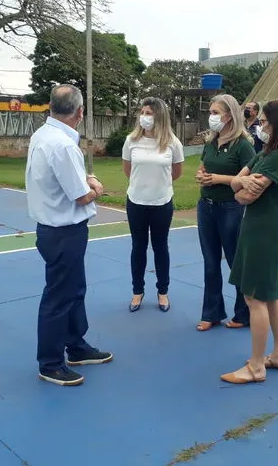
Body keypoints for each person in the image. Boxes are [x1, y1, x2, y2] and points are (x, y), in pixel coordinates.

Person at [25, 84, 113, 386]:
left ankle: (76, 346)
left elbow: (68, 180)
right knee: (60, 296)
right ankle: (50, 363)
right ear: (80, 112)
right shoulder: (63, 145)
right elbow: (82, 196)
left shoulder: (43, 136)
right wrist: (96, 187)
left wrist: (86, 180)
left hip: (54, 229)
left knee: (74, 290)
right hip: (64, 230)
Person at [220, 100, 278, 384]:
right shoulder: (264, 154)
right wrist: (240, 184)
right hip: (259, 232)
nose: (260, 125)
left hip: (264, 235)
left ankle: (256, 366)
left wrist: (241, 188)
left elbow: (245, 196)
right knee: (271, 296)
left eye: (264, 121)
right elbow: (235, 184)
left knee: (254, 298)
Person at [194, 94, 255, 331]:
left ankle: (244, 312)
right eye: (211, 112)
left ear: (229, 115)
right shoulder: (211, 142)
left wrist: (219, 178)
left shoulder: (243, 145)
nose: (211, 117)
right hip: (206, 206)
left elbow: (250, 178)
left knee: (234, 261)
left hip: (230, 208)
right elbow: (202, 167)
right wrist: (202, 176)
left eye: (215, 112)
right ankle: (211, 313)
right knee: (210, 262)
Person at [122, 97, 184, 312]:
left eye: (149, 113)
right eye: (142, 112)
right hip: (136, 202)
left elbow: (176, 172)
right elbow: (128, 169)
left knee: (160, 247)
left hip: (162, 202)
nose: (144, 117)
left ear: (159, 116)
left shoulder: (173, 143)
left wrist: (158, 185)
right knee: (138, 247)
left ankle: (163, 292)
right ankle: (137, 291)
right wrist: (143, 184)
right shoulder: (131, 140)